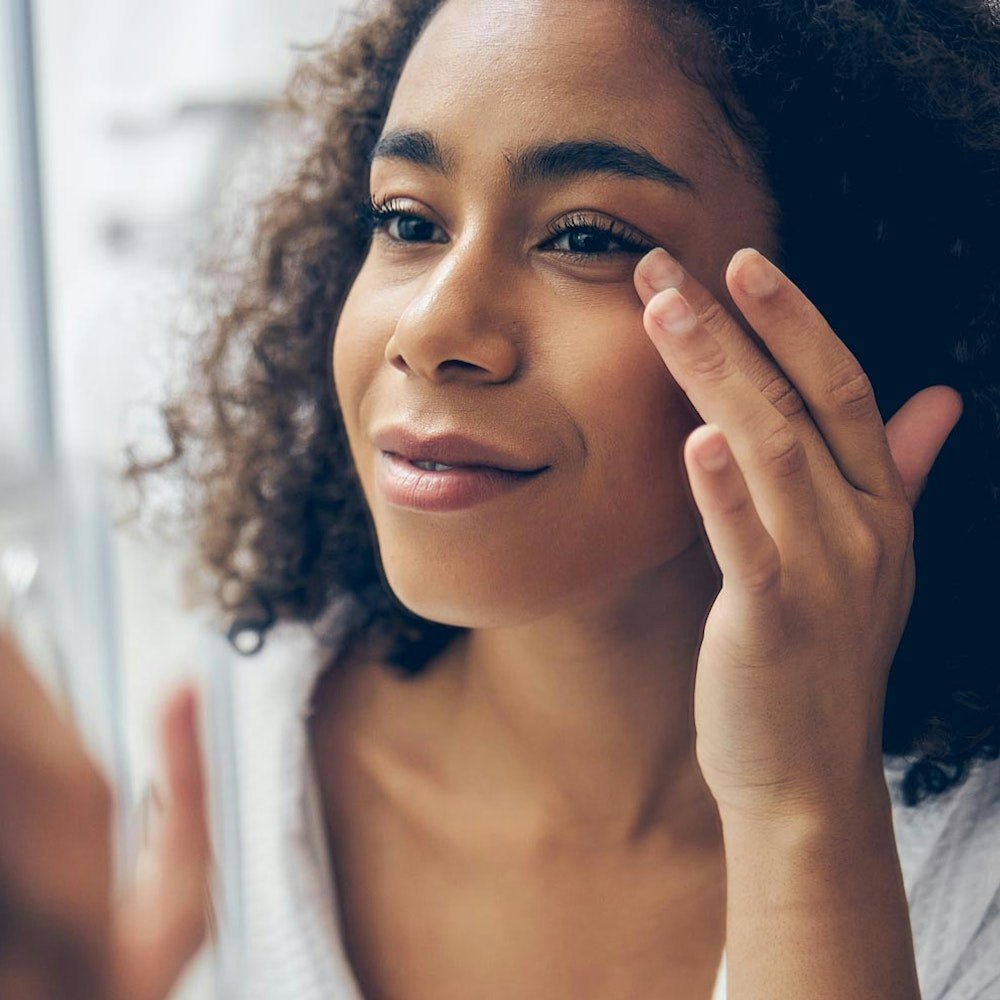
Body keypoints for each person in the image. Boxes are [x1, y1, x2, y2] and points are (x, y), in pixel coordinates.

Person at [2, 0, 999, 996]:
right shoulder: (189, 750)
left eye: (584, 236)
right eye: (406, 221)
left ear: (842, 300)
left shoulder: (971, 873)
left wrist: (802, 812)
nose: (431, 328)